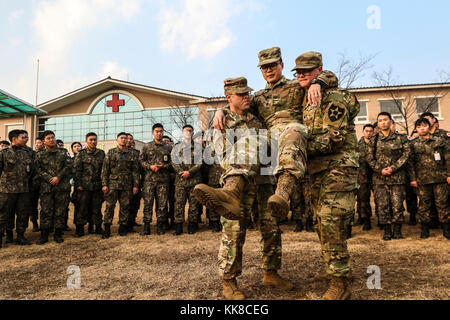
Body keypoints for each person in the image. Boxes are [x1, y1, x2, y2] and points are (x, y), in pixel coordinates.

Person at [194, 77, 292, 300]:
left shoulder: (256, 118)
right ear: (229, 97)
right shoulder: (221, 123)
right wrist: (220, 111)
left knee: (271, 228)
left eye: (248, 93)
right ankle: (228, 281)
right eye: (242, 94)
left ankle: (271, 272)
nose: (247, 97)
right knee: (234, 232)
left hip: (263, 181)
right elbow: (222, 157)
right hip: (237, 186)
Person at [213, 47, 338, 220]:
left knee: (295, 130)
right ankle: (230, 191)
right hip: (270, 136)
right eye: (264, 68)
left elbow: (330, 75)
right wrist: (221, 110)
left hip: (293, 132)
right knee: (251, 139)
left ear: (282, 65)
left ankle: (282, 194)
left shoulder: (297, 85)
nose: (269, 70)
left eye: (273, 65)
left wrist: (317, 83)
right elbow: (238, 106)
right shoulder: (257, 97)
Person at [294, 51, 359, 300]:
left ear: (319, 71)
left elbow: (335, 138)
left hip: (339, 167)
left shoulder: (333, 98)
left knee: (330, 220)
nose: (301, 76)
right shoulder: (305, 98)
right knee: (321, 223)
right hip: (318, 171)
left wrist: (297, 147)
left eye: (307, 72)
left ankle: (340, 282)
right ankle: (335, 268)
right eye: (298, 72)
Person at [366, 112, 412, 241]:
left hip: (397, 178)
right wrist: (380, 170)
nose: (383, 122)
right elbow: (369, 158)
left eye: (385, 120)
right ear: (378, 124)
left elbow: (406, 154)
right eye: (380, 120)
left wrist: (393, 168)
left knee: (397, 204)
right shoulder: (373, 140)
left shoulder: (401, 138)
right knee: (382, 205)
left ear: (391, 121)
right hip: (380, 179)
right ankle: (387, 230)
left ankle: (397, 230)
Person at [409, 118, 450, 239]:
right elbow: (410, 164)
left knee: (443, 203)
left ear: (429, 126)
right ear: (416, 129)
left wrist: (449, 174)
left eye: (424, 126)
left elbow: (448, 158)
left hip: (440, 179)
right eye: (419, 127)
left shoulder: (440, 141)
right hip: (422, 180)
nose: (422, 128)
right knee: (424, 204)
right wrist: (413, 179)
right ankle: (424, 229)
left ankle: (446, 229)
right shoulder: (413, 144)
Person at [35, 131, 73, 244]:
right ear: (43, 141)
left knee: (60, 211)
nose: (52, 140)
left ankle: (58, 233)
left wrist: (58, 177)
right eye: (48, 138)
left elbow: (68, 166)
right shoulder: (39, 154)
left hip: (61, 187)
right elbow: (37, 169)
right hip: (46, 188)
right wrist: (49, 178)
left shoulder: (63, 152)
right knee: (46, 211)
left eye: (53, 137)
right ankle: (44, 235)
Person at [101, 132, 140, 238]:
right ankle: (107, 228)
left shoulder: (132, 154)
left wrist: (135, 185)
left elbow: (135, 171)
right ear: (117, 140)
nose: (124, 140)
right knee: (109, 207)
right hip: (113, 185)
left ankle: (122, 228)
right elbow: (105, 170)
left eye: (125, 138)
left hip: (127, 186)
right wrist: (104, 184)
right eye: (121, 138)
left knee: (125, 207)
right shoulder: (111, 152)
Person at [0, 130, 34, 247]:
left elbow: (32, 171)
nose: (26, 139)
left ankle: (21, 236)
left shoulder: (29, 153)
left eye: (26, 137)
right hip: (7, 191)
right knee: (4, 215)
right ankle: (6, 235)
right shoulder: (4, 153)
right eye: (23, 137)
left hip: (23, 190)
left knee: (23, 214)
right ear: (14, 138)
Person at [139, 124, 172, 236]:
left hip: (163, 181)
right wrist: (150, 166)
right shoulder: (146, 146)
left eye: (161, 131)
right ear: (153, 132)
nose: (159, 133)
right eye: (157, 131)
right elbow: (141, 161)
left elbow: (173, 162)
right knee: (148, 204)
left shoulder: (168, 147)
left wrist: (164, 166)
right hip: (149, 181)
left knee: (162, 204)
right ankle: (146, 227)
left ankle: (160, 226)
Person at [171, 125, 203, 235]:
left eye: (190, 131)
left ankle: (192, 226)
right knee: (179, 204)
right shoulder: (177, 147)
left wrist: (189, 172)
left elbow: (200, 163)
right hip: (180, 181)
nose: (188, 132)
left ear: (193, 133)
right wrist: (181, 172)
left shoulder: (199, 147)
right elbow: (174, 162)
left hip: (194, 180)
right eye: (186, 131)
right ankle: (178, 227)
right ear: (182, 133)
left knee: (194, 204)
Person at [73, 133, 105, 237]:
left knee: (97, 208)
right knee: (82, 208)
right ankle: (80, 229)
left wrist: (103, 184)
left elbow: (104, 170)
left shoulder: (101, 153)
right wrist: (78, 184)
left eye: (95, 140)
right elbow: (77, 170)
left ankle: (98, 227)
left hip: (97, 186)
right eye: (91, 140)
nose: (93, 142)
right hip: (84, 186)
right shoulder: (81, 153)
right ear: (86, 141)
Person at [356, 124, 375, 231]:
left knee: (377, 198)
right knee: (362, 199)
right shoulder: (358, 146)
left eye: (370, 131)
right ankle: (364, 219)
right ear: (363, 132)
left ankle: (381, 218)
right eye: (366, 131)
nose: (368, 133)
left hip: (375, 176)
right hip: (362, 176)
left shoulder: (376, 144)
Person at [127, 133, 143, 232]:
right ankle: (126, 224)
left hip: (136, 183)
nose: (129, 141)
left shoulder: (137, 153)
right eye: (127, 139)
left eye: (130, 139)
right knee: (126, 205)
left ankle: (132, 221)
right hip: (124, 184)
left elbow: (140, 168)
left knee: (135, 204)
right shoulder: (119, 152)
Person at [30, 136, 45, 232]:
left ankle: (45, 225)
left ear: (43, 143)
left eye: (39, 143)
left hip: (44, 183)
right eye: (36, 143)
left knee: (46, 205)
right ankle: (35, 223)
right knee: (33, 205)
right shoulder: (32, 154)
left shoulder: (47, 154)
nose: (37, 145)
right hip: (34, 184)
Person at [162, 136, 176, 230]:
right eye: (164, 141)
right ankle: (164, 222)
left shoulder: (174, 152)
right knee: (162, 203)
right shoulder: (159, 151)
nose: (166, 143)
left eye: (168, 141)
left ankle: (173, 222)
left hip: (173, 182)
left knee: (173, 202)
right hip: (162, 181)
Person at [69, 142, 83, 233]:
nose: (77, 148)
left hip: (86, 186)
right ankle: (78, 228)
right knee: (78, 207)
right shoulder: (70, 160)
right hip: (76, 187)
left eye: (79, 146)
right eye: (75, 146)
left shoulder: (85, 159)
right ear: (72, 149)